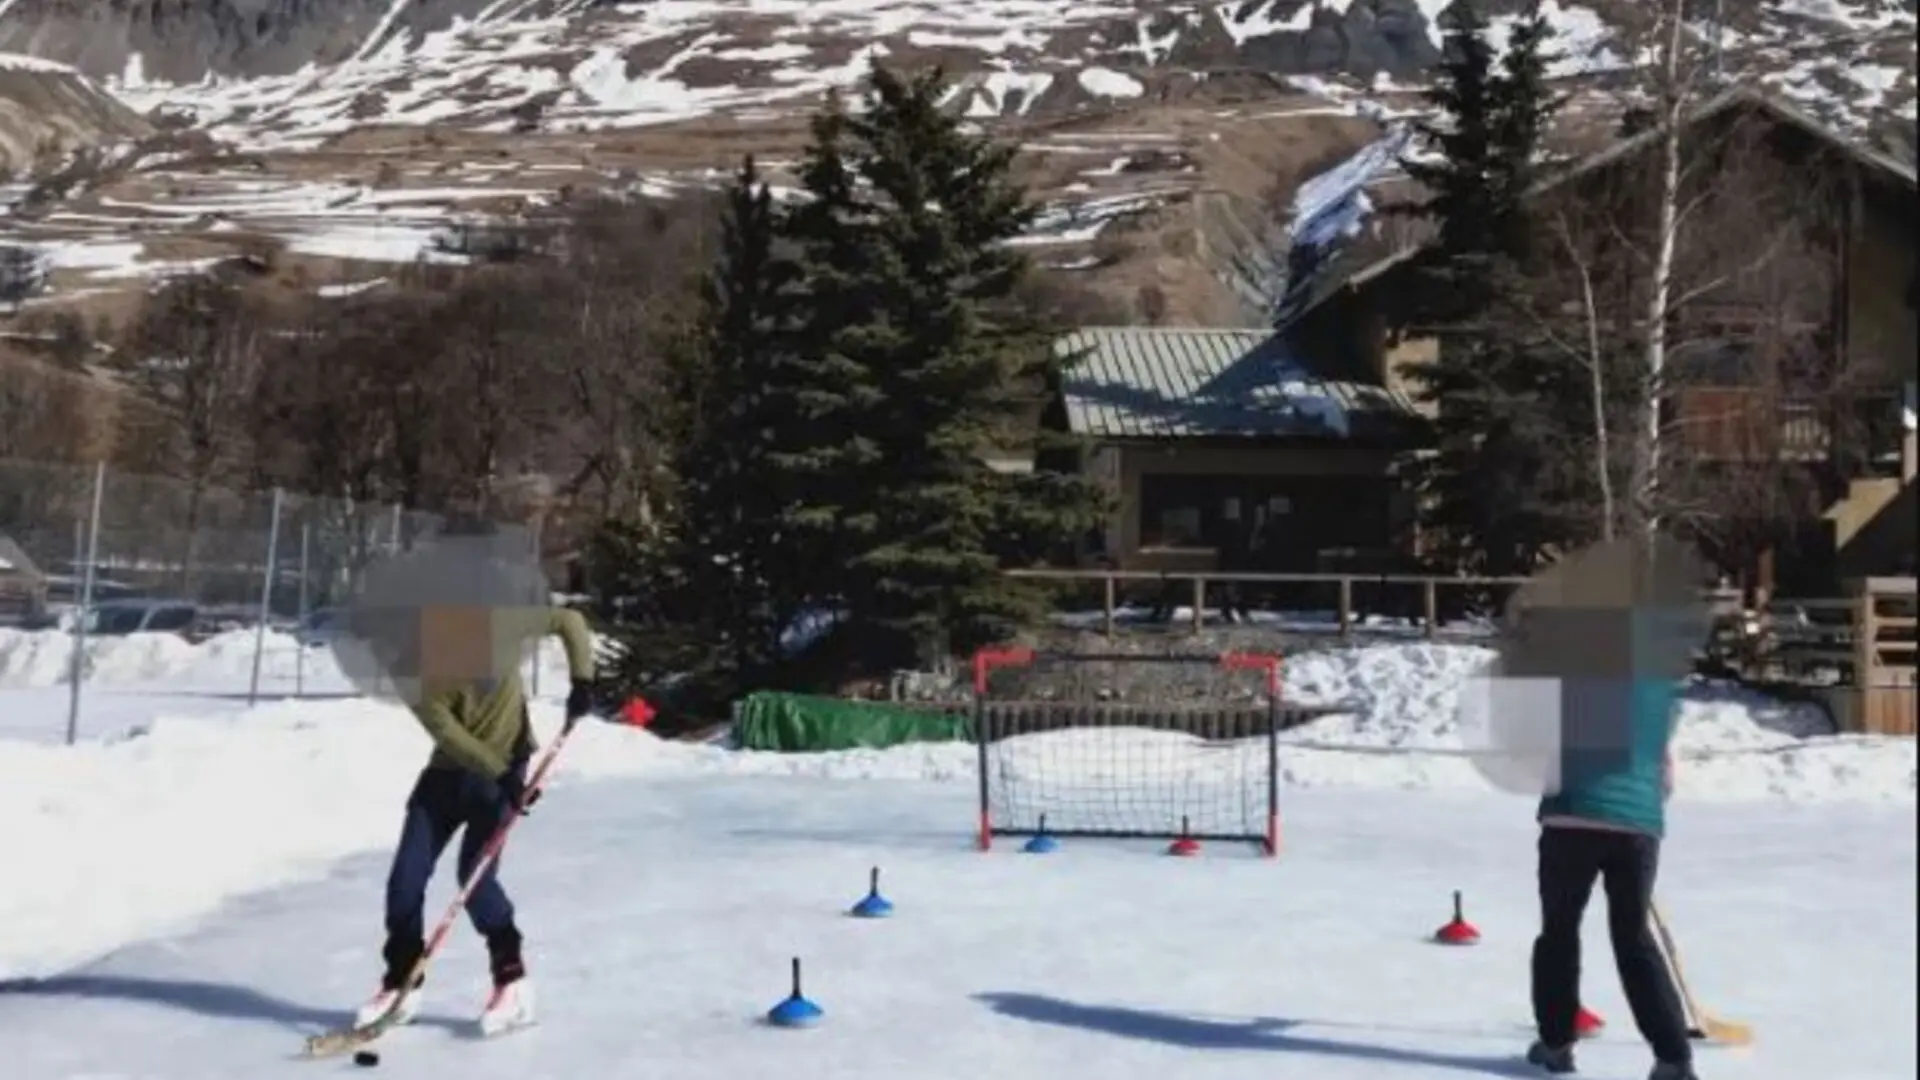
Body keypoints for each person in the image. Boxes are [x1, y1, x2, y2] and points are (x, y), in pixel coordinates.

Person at [353, 603, 597, 1036]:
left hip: (507, 760)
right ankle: (402, 981)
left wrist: (582, 681)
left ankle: (513, 981)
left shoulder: (495, 625)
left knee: (476, 874)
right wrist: (501, 777)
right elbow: (451, 736)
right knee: (405, 880)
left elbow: (569, 621)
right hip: (451, 773)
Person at [1520, 602, 1699, 1079]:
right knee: (1633, 937)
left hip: (1571, 820)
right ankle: (1672, 1057)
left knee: (1559, 931)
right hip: (1638, 827)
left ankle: (1557, 1043)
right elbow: (1664, 775)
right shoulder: (1662, 693)